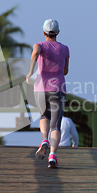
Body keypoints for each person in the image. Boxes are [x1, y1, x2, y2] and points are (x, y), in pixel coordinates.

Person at [26, 19, 70, 168]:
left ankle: (44, 140)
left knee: (44, 117)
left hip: (40, 88)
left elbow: (35, 52)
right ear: (58, 32)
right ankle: (52, 155)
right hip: (57, 88)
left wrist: (31, 71)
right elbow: (65, 71)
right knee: (56, 125)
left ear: (43, 32)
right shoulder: (65, 49)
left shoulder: (39, 45)